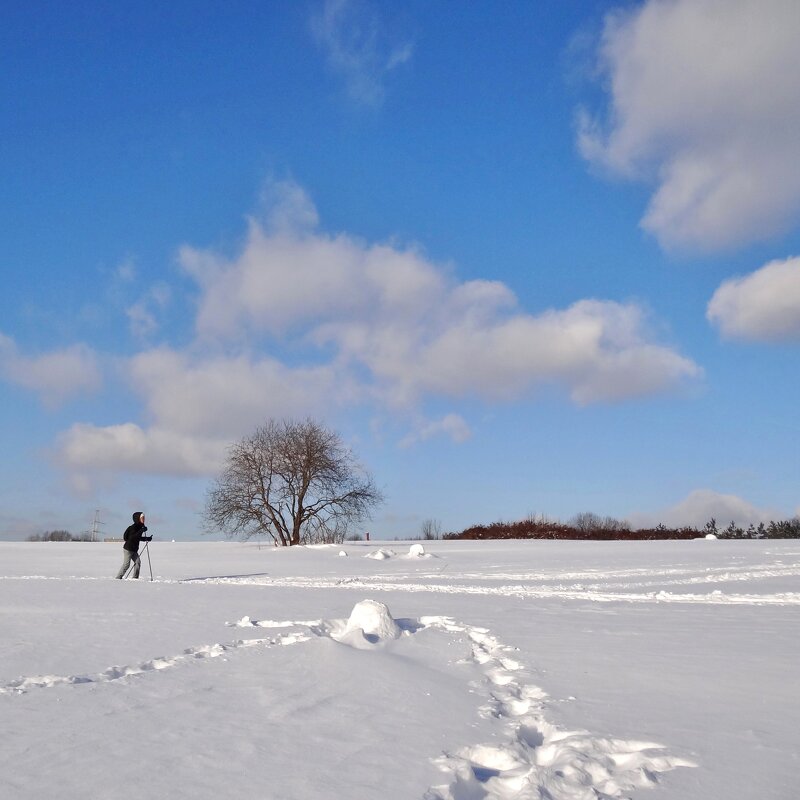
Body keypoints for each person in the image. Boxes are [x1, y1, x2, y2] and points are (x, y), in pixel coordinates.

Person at [115, 511, 152, 579]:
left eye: (144, 518)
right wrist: (141, 531)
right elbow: (132, 537)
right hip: (128, 549)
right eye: (142, 518)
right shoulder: (133, 527)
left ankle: (135, 578)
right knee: (126, 565)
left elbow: (138, 538)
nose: (144, 519)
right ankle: (118, 578)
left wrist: (147, 538)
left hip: (134, 549)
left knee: (138, 562)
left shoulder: (140, 527)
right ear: (137, 518)